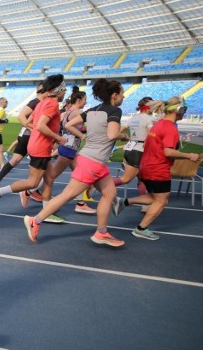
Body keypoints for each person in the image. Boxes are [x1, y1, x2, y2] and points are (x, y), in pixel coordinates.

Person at [22, 78, 127, 247]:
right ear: (114, 95)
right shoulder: (115, 111)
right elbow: (113, 135)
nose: (124, 97)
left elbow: (69, 124)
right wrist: (123, 135)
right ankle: (36, 220)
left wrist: (85, 136)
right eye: (122, 93)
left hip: (94, 161)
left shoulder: (92, 110)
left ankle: (101, 232)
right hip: (92, 162)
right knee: (67, 195)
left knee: (110, 194)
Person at [112, 97, 202, 240]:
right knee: (161, 201)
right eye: (184, 110)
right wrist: (189, 155)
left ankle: (124, 202)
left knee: (156, 198)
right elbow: (168, 152)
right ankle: (141, 228)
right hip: (158, 169)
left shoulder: (159, 124)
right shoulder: (170, 128)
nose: (184, 113)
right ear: (179, 110)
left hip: (146, 166)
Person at [0, 74, 67, 227]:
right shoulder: (51, 104)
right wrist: (57, 138)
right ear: (58, 90)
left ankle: (46, 212)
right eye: (64, 90)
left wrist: (41, 133)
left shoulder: (42, 102)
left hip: (37, 144)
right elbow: (40, 125)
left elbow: (31, 121)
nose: (65, 93)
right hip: (41, 148)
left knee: (49, 178)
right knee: (33, 182)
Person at [0, 84, 45, 204]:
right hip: (30, 136)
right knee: (39, 166)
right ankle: (32, 190)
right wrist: (35, 128)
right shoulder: (36, 102)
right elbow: (21, 116)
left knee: (15, 160)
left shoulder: (38, 102)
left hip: (25, 134)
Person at [44, 89, 96, 215]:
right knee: (52, 175)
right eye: (84, 100)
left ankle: (80, 204)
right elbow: (79, 127)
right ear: (79, 100)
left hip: (69, 147)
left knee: (81, 177)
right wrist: (86, 134)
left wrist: (83, 130)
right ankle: (30, 191)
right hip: (69, 148)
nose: (85, 102)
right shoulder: (78, 112)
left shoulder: (67, 112)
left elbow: (74, 127)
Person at [113, 97, 157, 195]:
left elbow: (119, 131)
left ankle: (145, 204)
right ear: (148, 107)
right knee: (125, 179)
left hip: (129, 149)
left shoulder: (132, 118)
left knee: (142, 179)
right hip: (140, 151)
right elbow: (151, 136)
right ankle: (98, 185)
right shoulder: (151, 119)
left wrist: (125, 137)